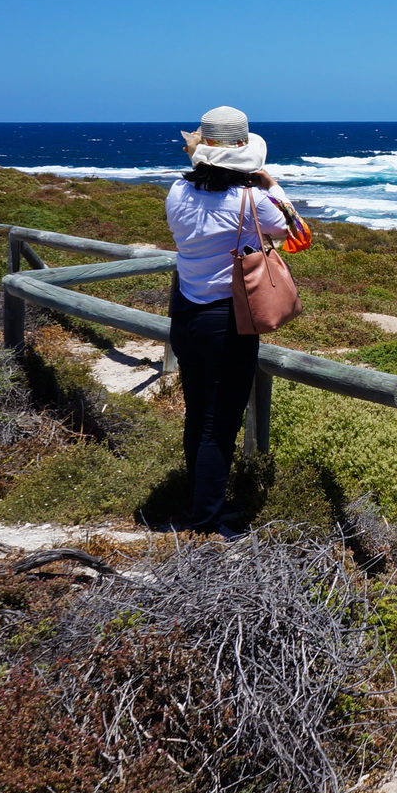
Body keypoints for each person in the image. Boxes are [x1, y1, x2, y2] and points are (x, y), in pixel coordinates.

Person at [164, 106, 292, 537]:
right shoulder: (250, 198)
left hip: (185, 313)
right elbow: (293, 229)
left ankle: (198, 502)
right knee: (220, 426)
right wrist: (270, 182)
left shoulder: (176, 192)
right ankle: (209, 521)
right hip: (228, 319)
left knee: (198, 413)